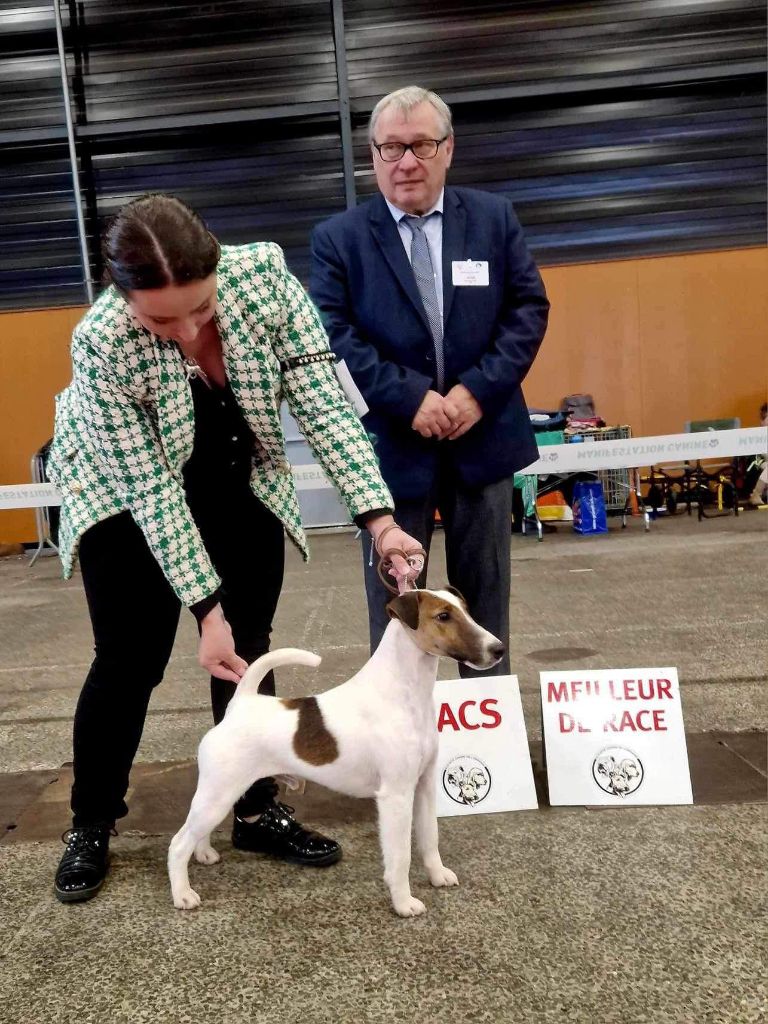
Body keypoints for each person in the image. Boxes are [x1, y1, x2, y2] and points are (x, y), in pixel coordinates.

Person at [47, 193, 422, 903]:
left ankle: (254, 809)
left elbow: (323, 407)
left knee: (247, 646)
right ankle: (91, 822)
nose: (188, 330)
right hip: (125, 495)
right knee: (128, 660)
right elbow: (155, 492)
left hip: (231, 470)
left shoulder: (266, 285)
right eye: (162, 318)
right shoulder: (101, 344)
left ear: (219, 270)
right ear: (120, 295)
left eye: (202, 307)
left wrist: (379, 520)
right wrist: (202, 606)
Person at [310, 86, 550, 674]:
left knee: (484, 607)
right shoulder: (338, 239)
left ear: (448, 150)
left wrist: (476, 390)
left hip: (483, 438)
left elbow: (528, 310)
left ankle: (486, 754)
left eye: (420, 144)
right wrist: (409, 397)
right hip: (391, 451)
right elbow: (332, 338)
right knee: (396, 611)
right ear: (373, 156)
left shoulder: (494, 219)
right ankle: (398, 753)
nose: (406, 161)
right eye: (391, 148)